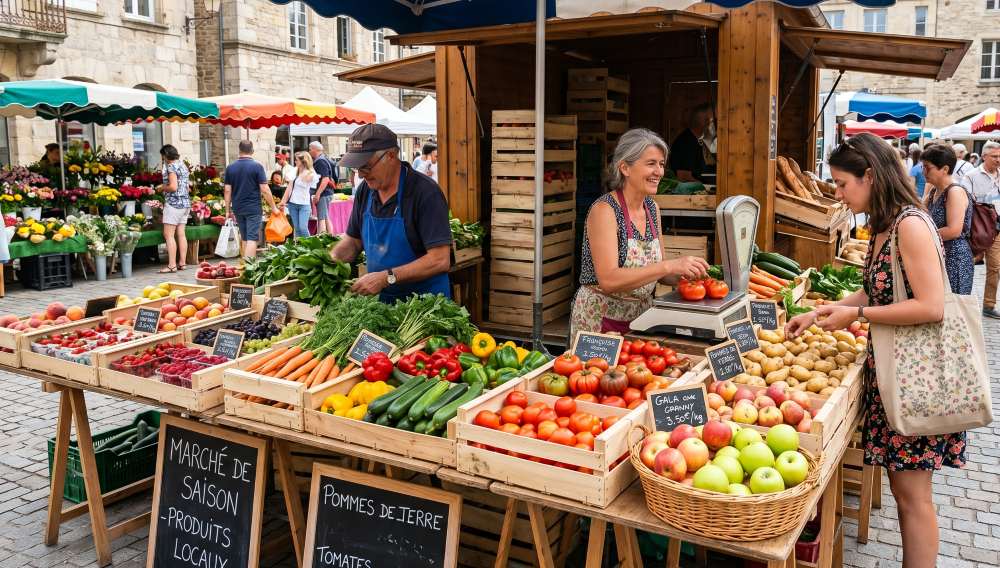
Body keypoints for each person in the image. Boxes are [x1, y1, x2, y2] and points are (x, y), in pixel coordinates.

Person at [785, 133, 960, 568]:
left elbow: (931, 306)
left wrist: (859, 319)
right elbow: (874, 291)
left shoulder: (911, 226)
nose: (839, 194)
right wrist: (824, 310)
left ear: (870, 176)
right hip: (893, 373)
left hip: (918, 380)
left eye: (843, 184)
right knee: (905, 494)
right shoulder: (884, 227)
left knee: (914, 498)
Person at [570, 129, 710, 338]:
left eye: (661, 164)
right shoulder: (605, 210)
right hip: (601, 322)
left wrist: (690, 273)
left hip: (642, 321)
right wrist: (669, 265)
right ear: (625, 167)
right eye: (651, 163)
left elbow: (662, 274)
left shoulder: (652, 209)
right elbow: (608, 279)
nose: (659, 172)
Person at [330, 124, 452, 303]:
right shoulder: (365, 190)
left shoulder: (425, 193)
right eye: (358, 169)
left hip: (424, 306)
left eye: (366, 166)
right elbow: (353, 241)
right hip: (382, 305)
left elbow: (440, 260)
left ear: (391, 156)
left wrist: (387, 277)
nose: (362, 175)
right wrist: (329, 262)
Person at [922, 144, 974, 294]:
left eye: (928, 167)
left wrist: (922, 237)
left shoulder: (955, 192)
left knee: (953, 308)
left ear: (945, 169)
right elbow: (919, 213)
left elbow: (954, 230)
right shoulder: (934, 190)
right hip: (940, 255)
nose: (924, 172)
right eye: (923, 167)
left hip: (955, 259)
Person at [960, 140, 1000, 318]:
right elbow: (964, 201)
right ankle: (961, 300)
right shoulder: (971, 176)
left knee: (995, 267)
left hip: (997, 227)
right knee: (968, 262)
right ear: (984, 156)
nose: (998, 160)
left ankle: (989, 305)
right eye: (994, 156)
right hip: (977, 227)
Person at [223, 140, 279, 259]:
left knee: (244, 237)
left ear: (239, 150)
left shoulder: (230, 167)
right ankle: (249, 267)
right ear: (252, 151)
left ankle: (244, 264)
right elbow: (264, 189)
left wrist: (227, 210)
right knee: (252, 238)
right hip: (253, 207)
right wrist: (273, 207)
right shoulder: (257, 166)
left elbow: (227, 190)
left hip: (238, 207)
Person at [157, 144, 191, 273]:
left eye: (163, 156)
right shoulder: (182, 165)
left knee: (169, 235)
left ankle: (172, 265)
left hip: (174, 204)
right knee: (181, 234)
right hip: (185, 203)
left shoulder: (171, 167)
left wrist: (162, 188)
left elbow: (173, 187)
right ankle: (182, 263)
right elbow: (187, 187)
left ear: (166, 155)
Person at [279, 152, 317, 238]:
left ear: (303, 161)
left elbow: (310, 179)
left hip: (304, 204)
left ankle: (309, 245)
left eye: (297, 160)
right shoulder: (295, 171)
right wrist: (282, 202)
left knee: (303, 228)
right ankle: (300, 248)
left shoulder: (310, 173)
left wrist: (303, 171)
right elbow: (289, 188)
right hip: (293, 204)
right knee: (297, 228)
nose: (295, 162)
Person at [670, 104, 712, 182]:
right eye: (711, 120)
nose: (714, 124)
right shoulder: (685, 143)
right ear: (705, 122)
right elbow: (683, 177)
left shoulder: (698, 140)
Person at [308, 141, 338, 235]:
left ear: (314, 150)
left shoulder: (320, 161)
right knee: (326, 217)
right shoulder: (324, 158)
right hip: (326, 192)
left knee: (321, 218)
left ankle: (321, 240)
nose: (309, 151)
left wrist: (317, 194)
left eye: (310, 149)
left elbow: (325, 179)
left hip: (323, 193)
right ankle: (331, 237)